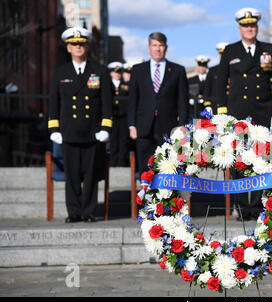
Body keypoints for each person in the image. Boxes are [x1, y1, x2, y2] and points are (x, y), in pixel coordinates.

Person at [215, 7, 272, 220]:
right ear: (239, 29)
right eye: (245, 26)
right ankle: (243, 207)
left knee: (261, 160)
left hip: (262, 113)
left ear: (256, 27)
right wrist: (222, 116)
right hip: (237, 114)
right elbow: (220, 85)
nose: (249, 29)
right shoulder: (230, 51)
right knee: (239, 162)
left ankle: (259, 205)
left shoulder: (269, 49)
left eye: (252, 25)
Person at [48, 27, 113, 223]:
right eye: (74, 44)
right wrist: (54, 129)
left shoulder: (99, 71)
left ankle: (89, 212)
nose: (78, 47)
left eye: (82, 44)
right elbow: (54, 103)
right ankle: (74, 212)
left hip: (92, 132)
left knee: (91, 174)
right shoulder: (60, 73)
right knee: (73, 175)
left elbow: (107, 103)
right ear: (68, 48)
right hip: (68, 132)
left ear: (87, 47)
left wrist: (106, 128)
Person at [128, 32, 189, 175]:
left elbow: (183, 101)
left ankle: (167, 196)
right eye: (154, 45)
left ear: (166, 47)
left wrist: (183, 126)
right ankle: (146, 196)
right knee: (145, 168)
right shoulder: (138, 70)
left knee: (168, 167)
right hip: (143, 128)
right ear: (149, 48)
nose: (158, 49)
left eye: (161, 45)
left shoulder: (177, 70)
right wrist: (132, 125)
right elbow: (132, 101)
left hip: (168, 128)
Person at [108, 61, 130, 166]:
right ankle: (113, 161)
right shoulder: (108, 85)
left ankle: (122, 162)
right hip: (112, 116)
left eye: (119, 72)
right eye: (115, 72)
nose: (117, 74)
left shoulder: (125, 85)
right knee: (113, 140)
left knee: (123, 139)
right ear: (110, 73)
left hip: (124, 115)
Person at [204, 42, 228, 114]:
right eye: (221, 54)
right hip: (216, 107)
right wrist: (208, 105)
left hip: (233, 106)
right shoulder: (212, 71)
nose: (223, 56)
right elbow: (207, 90)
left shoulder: (235, 69)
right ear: (219, 55)